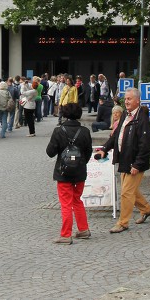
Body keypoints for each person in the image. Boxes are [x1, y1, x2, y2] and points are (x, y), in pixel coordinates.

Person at [93, 87, 150, 233]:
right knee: (130, 190)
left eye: (129, 99)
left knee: (126, 192)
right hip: (124, 158)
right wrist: (104, 149)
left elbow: (145, 145)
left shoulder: (142, 118)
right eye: (125, 98)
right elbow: (115, 135)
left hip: (135, 162)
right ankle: (146, 209)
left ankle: (123, 223)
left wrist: (138, 164)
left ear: (137, 100)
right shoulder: (126, 114)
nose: (126, 101)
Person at [46, 102, 93, 243]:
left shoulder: (59, 131)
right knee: (77, 200)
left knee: (66, 203)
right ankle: (83, 229)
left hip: (64, 172)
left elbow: (50, 152)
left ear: (65, 114)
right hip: (79, 171)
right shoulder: (85, 131)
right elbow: (88, 152)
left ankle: (66, 234)